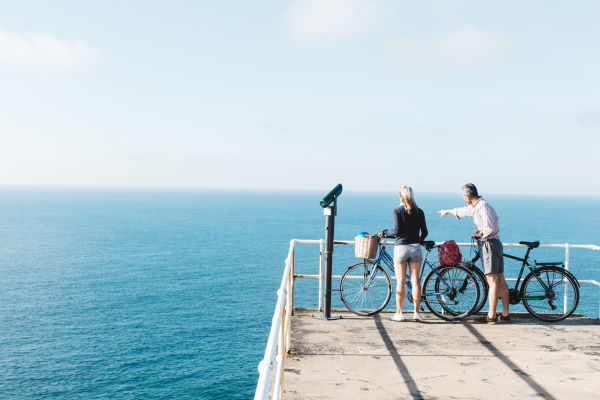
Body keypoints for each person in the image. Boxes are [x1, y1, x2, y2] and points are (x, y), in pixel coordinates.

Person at [438, 183, 510, 324]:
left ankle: (491, 316)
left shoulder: (483, 207)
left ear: (467, 196)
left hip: (489, 244)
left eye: (463, 196)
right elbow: (465, 211)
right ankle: (505, 314)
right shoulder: (477, 206)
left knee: (493, 280)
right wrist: (449, 211)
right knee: (500, 279)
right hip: (494, 244)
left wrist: (479, 234)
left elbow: (489, 228)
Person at [378, 186, 428, 323]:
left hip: (401, 248)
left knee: (400, 281)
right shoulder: (420, 212)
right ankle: (416, 313)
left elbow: (396, 230)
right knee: (415, 280)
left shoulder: (397, 211)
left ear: (401, 196)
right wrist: (419, 240)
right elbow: (424, 232)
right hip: (416, 248)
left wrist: (384, 232)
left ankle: (399, 313)